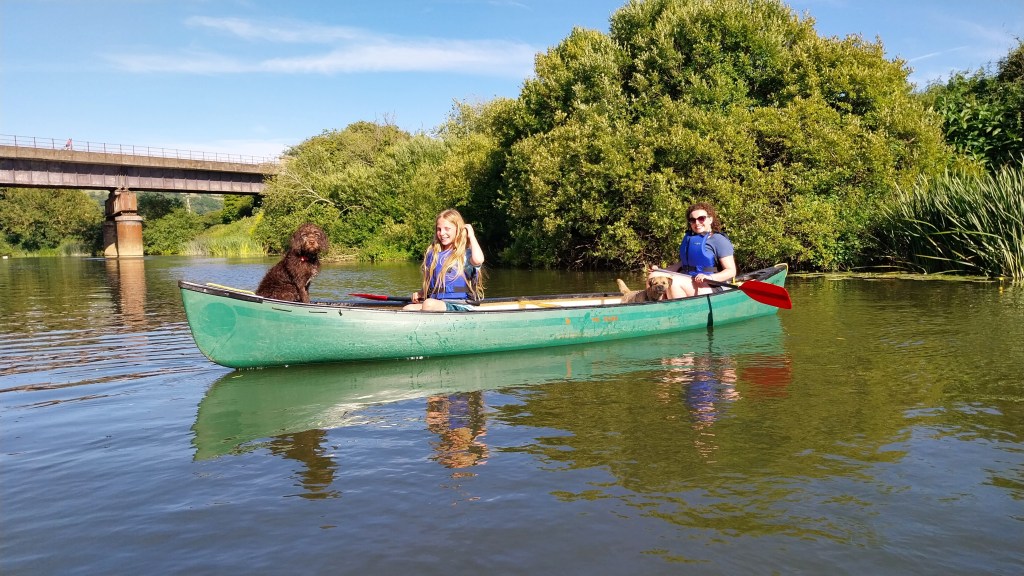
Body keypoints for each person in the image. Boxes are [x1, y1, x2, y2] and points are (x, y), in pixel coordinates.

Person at [403, 209, 484, 311]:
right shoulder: (433, 254)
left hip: (460, 305)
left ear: (457, 230)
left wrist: (471, 236)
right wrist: (421, 293)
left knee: (428, 304)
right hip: (437, 303)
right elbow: (430, 283)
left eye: (447, 229)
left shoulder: (464, 255)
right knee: (408, 308)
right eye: (439, 229)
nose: (442, 233)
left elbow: (478, 260)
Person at [652, 202, 737, 298]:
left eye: (701, 218)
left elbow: (731, 271)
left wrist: (710, 277)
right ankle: (653, 306)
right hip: (690, 280)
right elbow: (683, 264)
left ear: (710, 219)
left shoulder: (719, 240)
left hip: (712, 285)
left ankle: (679, 311)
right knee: (654, 275)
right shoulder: (690, 240)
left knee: (674, 282)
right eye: (692, 220)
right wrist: (660, 270)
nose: (697, 223)